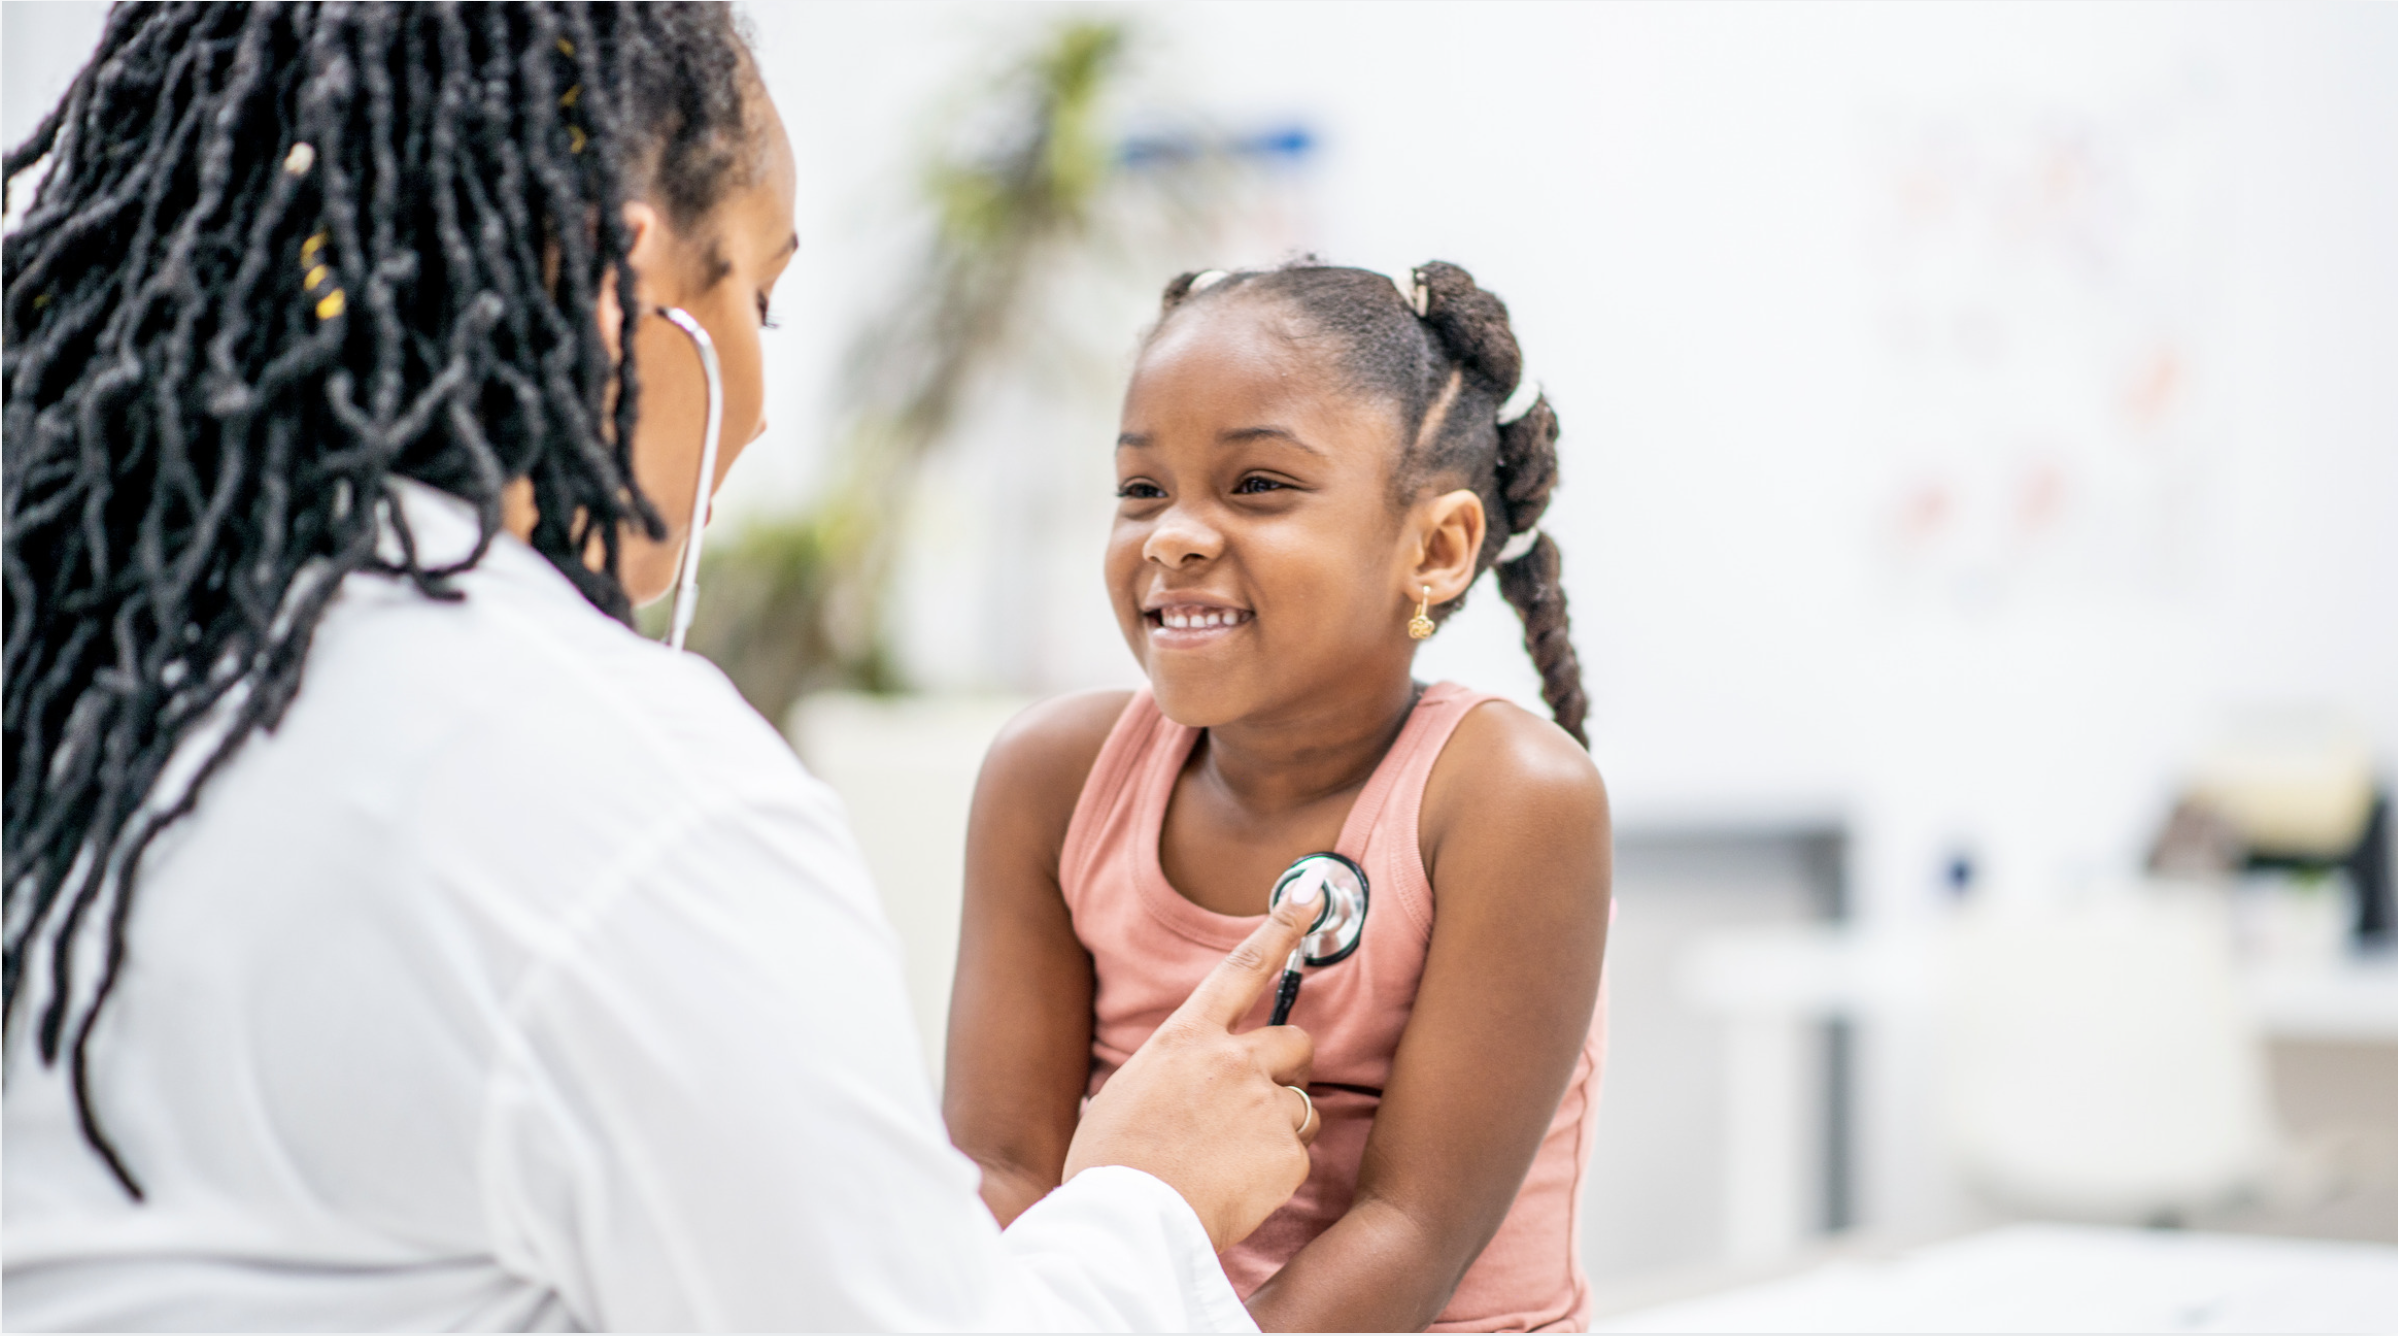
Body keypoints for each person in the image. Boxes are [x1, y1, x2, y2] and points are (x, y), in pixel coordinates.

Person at [2, 6, 1320, 1329]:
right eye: (756, 296)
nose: (757, 402)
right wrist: (1149, 1203)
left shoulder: (72, 669)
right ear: (610, 286)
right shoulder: (601, 783)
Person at [945, 261, 1615, 1331]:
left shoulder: (1509, 799)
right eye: (1140, 489)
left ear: (1435, 549)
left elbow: (1409, 1232)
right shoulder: (1049, 778)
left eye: (1256, 485)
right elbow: (1002, 1169)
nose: (1172, 535)